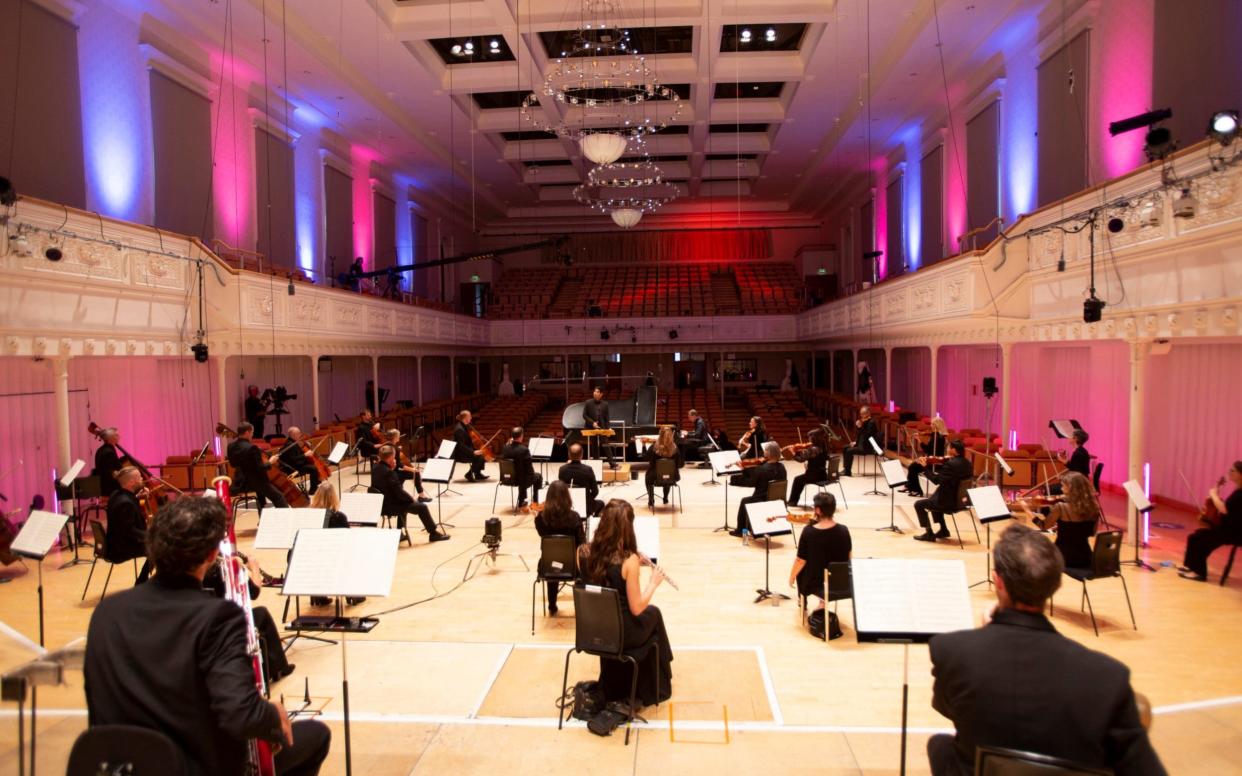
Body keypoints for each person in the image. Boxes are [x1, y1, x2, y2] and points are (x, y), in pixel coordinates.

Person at [85, 496, 331, 776]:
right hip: (187, 766)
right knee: (315, 735)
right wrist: (272, 714)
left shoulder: (107, 612)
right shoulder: (219, 618)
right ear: (212, 555)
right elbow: (241, 715)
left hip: (120, 766)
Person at [926, 523, 1164, 775]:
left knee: (940, 746)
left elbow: (947, 707)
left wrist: (987, 635)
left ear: (999, 582)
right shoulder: (1109, 677)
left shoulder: (953, 651)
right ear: (1055, 584)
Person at [579, 499, 673, 707]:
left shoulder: (582, 552)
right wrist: (653, 583)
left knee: (652, 615)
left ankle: (622, 681)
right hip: (621, 634)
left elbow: (601, 575)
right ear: (627, 527)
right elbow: (636, 608)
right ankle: (655, 685)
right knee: (653, 614)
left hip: (593, 629)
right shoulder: (628, 561)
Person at [201, 548, 295, 685]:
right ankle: (280, 667)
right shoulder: (223, 568)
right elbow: (254, 592)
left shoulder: (187, 571)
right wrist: (253, 568)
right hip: (227, 629)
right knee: (261, 613)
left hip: (205, 626)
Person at [1011, 471, 1099, 569]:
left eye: (1063, 486)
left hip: (1063, 557)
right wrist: (1064, 526)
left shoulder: (1061, 507)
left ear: (1071, 488)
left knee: (1032, 555)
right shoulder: (1094, 508)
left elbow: (1043, 525)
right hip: (1086, 558)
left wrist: (1026, 509)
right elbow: (1091, 532)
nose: (1061, 489)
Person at [1179, 460, 1242, 581]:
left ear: (1241, 474)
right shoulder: (1237, 490)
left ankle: (1199, 573)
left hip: (1234, 532)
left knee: (1200, 540)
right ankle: (1191, 566)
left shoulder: (1241, 493)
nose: (1230, 472)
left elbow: (1224, 509)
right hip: (1226, 528)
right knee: (1194, 537)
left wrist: (1214, 495)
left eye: (1233, 470)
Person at [372, 445, 448, 542]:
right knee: (422, 507)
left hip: (380, 504)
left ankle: (400, 533)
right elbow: (399, 493)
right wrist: (411, 499)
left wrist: (392, 468)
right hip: (390, 506)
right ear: (391, 457)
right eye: (394, 456)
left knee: (404, 504)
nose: (395, 458)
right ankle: (433, 534)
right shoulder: (389, 473)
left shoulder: (375, 468)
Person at [788, 492, 851, 608]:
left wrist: (791, 576)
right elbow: (849, 556)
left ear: (817, 510)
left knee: (801, 570)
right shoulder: (844, 530)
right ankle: (822, 601)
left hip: (816, 582)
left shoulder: (809, 532)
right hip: (838, 581)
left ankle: (803, 600)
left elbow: (800, 560)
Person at [534, 481, 585, 614]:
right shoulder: (574, 517)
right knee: (584, 564)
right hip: (572, 567)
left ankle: (552, 605)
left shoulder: (542, 517)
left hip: (548, 566)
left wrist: (536, 518)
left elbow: (541, 534)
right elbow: (581, 543)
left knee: (553, 559)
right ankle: (582, 606)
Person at [913, 439, 973, 542]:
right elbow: (948, 479)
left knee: (919, 504)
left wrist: (925, 467)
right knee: (934, 498)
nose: (947, 449)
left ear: (954, 450)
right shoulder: (967, 463)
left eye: (949, 447)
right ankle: (943, 530)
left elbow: (936, 481)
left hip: (949, 503)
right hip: (962, 502)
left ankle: (929, 533)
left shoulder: (950, 464)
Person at [227, 422, 288, 513]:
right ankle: (286, 520)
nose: (252, 435)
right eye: (252, 432)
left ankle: (262, 515)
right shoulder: (252, 448)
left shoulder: (231, 446)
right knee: (279, 497)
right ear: (247, 432)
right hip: (255, 482)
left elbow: (233, 464)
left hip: (240, 482)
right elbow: (260, 468)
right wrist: (270, 462)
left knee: (262, 495)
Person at [106, 466, 151, 584]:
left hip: (115, 543)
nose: (142, 479)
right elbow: (129, 531)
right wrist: (151, 536)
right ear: (132, 482)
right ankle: (142, 582)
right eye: (139, 478)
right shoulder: (125, 503)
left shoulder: (116, 494)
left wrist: (137, 497)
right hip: (121, 548)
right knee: (162, 548)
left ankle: (143, 580)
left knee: (158, 545)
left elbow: (128, 503)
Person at [732, 441, 786, 537]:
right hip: (778, 499)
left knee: (744, 501)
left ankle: (741, 530)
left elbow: (750, 483)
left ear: (768, 453)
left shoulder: (762, 469)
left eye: (765, 450)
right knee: (748, 499)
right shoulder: (782, 467)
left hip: (762, 498)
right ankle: (751, 527)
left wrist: (742, 471)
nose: (764, 452)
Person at [902, 417, 948, 497]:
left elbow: (927, 450)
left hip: (934, 462)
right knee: (913, 466)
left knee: (913, 467)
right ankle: (909, 486)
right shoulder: (940, 436)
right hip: (934, 459)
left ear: (937, 425)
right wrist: (921, 434)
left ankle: (916, 490)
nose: (931, 425)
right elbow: (931, 433)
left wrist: (919, 440)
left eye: (933, 424)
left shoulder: (936, 437)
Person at [385, 429, 433, 502]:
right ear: (394, 437)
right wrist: (412, 469)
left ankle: (398, 494)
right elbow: (399, 465)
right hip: (393, 473)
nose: (399, 437)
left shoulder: (386, 445)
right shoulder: (395, 449)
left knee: (403, 476)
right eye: (398, 435)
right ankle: (421, 496)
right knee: (416, 473)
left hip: (387, 471)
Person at [501, 426, 543, 508]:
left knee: (521, 474)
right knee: (538, 476)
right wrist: (532, 475)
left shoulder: (505, 448)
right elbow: (529, 470)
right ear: (521, 436)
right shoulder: (524, 450)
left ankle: (521, 500)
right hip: (520, 480)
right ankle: (535, 502)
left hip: (507, 479)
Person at [559, 443, 604, 517]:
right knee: (601, 503)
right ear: (582, 455)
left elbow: (561, 489)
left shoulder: (562, 469)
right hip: (585, 506)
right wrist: (586, 499)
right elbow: (595, 491)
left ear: (569, 455)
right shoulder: (587, 469)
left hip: (567, 504)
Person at [642, 426, 683, 507]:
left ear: (660, 435)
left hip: (655, 477)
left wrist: (643, 446)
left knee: (648, 477)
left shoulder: (654, 447)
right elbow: (680, 464)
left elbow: (646, 458)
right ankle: (665, 498)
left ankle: (651, 500)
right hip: (672, 477)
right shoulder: (675, 448)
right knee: (667, 475)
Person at [788, 427, 830, 506]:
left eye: (810, 437)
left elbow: (801, 460)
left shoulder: (812, 449)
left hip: (814, 476)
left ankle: (792, 501)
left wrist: (793, 453)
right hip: (823, 475)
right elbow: (809, 457)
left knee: (797, 479)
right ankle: (792, 501)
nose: (809, 440)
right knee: (800, 479)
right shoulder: (823, 447)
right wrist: (801, 453)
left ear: (814, 438)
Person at [279, 427, 321, 494]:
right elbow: (293, 459)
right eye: (299, 433)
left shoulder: (292, 442)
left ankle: (316, 482)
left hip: (296, 465)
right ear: (293, 435)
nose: (300, 434)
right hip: (293, 469)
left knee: (313, 465)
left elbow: (298, 454)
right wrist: (305, 455)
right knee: (313, 468)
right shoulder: (290, 445)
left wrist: (306, 449)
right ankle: (313, 489)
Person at [452, 410, 490, 481]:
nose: (471, 418)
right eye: (470, 416)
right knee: (480, 457)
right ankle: (469, 474)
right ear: (465, 418)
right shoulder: (459, 429)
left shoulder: (464, 426)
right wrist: (473, 452)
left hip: (465, 450)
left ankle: (477, 474)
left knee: (482, 452)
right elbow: (461, 446)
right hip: (460, 454)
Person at [583, 386, 616, 468]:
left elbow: (607, 418)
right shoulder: (588, 402)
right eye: (594, 391)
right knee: (594, 445)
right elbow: (584, 415)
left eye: (597, 392)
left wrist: (608, 428)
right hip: (591, 427)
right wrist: (592, 423)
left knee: (606, 444)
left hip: (602, 428)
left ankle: (612, 463)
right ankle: (596, 463)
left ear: (601, 394)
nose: (595, 393)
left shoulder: (605, 404)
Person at [841, 406, 879, 477]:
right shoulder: (864, 422)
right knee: (845, 447)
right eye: (861, 414)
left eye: (863, 414)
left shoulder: (871, 423)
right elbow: (860, 436)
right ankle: (846, 468)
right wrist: (855, 442)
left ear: (868, 413)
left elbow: (867, 436)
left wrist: (860, 427)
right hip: (860, 444)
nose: (861, 416)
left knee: (849, 451)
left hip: (866, 447)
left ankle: (848, 472)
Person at [92, 427, 125, 497]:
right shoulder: (109, 452)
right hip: (109, 489)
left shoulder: (101, 449)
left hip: (104, 486)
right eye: (116, 435)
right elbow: (111, 473)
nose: (119, 437)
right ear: (110, 438)